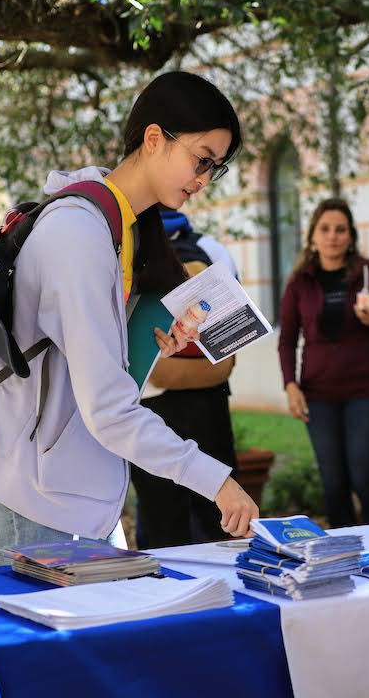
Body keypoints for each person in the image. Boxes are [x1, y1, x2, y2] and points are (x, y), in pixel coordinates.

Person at [0, 71, 259, 566]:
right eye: (202, 159)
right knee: (45, 644)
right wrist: (216, 481)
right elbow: (108, 408)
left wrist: (147, 340)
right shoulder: (79, 231)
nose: (204, 180)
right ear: (154, 138)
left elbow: (90, 368)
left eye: (215, 169)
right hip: (27, 488)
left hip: (71, 488)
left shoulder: (123, 230)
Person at [278, 198, 369, 528]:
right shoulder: (299, 282)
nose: (333, 236)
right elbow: (287, 340)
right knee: (333, 484)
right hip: (319, 394)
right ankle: (342, 557)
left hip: (368, 390)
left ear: (350, 236)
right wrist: (290, 385)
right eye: (325, 229)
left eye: (340, 229)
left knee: (364, 477)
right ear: (313, 236)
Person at [131, 209, 240, 548]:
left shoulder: (124, 248)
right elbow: (228, 350)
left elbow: (227, 353)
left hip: (152, 402)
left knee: (167, 520)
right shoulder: (211, 249)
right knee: (211, 519)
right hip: (205, 396)